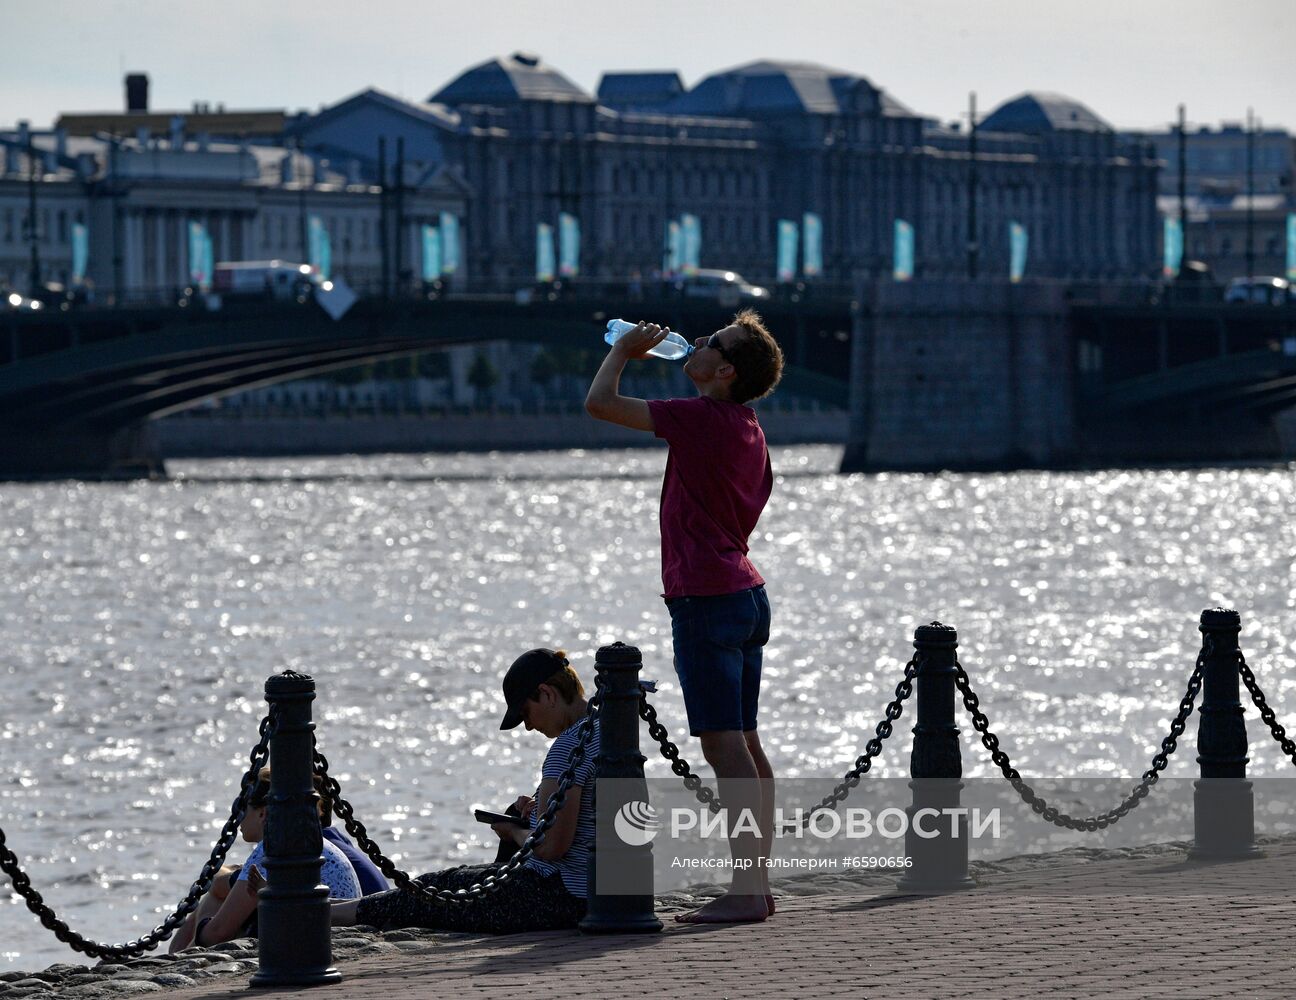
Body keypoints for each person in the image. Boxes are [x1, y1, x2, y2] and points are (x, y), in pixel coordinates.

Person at [585, 312, 784, 924]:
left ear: (724, 371)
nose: (697, 342)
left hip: (706, 599)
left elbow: (600, 404)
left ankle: (747, 893)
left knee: (726, 749)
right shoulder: (747, 427)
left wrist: (623, 350)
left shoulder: (703, 419)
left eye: (712, 343)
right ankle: (757, 883)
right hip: (745, 594)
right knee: (746, 743)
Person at [331, 648, 600, 933]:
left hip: (561, 895)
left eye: (525, 713)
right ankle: (334, 907)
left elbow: (550, 848)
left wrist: (514, 831)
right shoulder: (611, 730)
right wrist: (536, 810)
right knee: (446, 880)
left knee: (435, 893)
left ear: (547, 694)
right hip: (598, 892)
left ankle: (326, 915)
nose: (528, 726)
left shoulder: (567, 748)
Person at [169, 767, 361, 953]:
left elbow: (218, 933)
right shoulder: (310, 841)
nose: (237, 818)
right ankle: (179, 956)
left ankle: (180, 959)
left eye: (242, 808)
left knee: (214, 903)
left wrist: (199, 936)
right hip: (336, 932)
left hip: (306, 937)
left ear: (263, 813)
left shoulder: (274, 846)